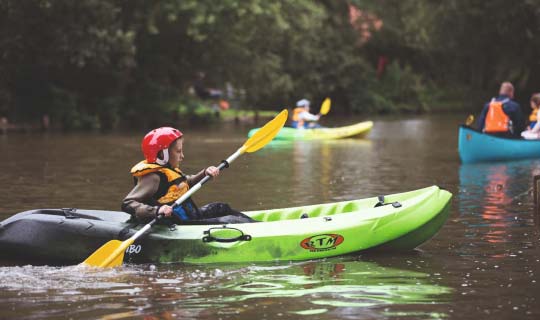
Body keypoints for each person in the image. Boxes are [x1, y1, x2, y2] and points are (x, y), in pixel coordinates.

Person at [121, 127, 257, 225]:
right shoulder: (153, 177)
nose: (182, 156)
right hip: (179, 224)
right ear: (162, 155)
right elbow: (128, 203)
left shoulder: (169, 170)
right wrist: (156, 210)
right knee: (230, 221)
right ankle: (258, 229)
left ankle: (258, 225)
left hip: (190, 216)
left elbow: (185, 183)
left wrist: (204, 173)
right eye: (178, 151)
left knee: (221, 207)